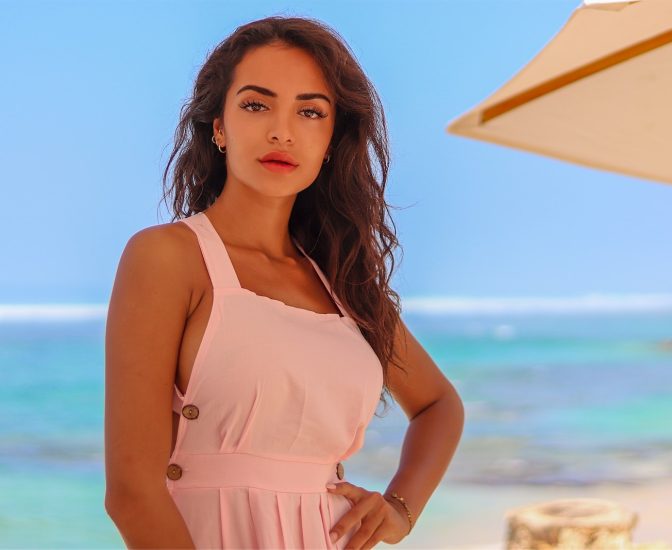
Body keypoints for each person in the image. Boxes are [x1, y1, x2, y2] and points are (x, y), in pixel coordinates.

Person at [104, 15, 464, 550]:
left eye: (310, 111)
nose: (281, 130)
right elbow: (132, 493)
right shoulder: (167, 257)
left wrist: (399, 508)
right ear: (218, 127)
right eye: (255, 104)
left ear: (330, 141)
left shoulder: (344, 284)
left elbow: (439, 406)